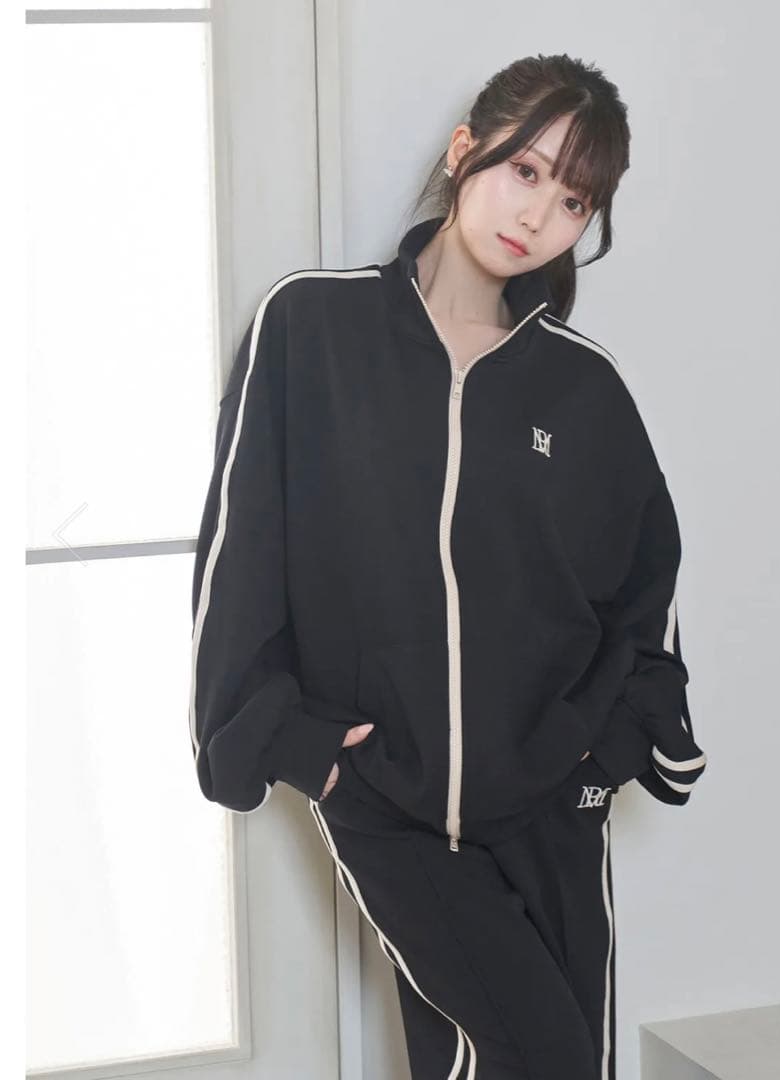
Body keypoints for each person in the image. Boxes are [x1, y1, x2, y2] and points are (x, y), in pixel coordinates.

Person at [189, 52, 707, 1080]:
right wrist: (298, 745)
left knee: (560, 1059)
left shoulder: (583, 389)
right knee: (540, 1054)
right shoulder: (311, 327)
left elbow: (643, 589)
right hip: (388, 795)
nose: (539, 215)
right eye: (527, 171)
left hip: (553, 800)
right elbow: (239, 558)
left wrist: (604, 758)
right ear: (467, 148)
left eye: (574, 200)